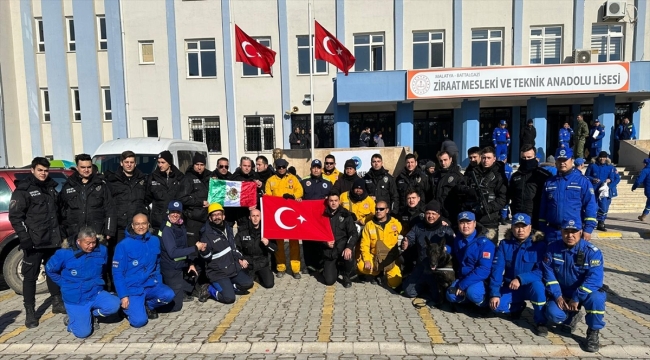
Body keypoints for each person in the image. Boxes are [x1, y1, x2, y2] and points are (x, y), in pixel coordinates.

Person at [9, 157, 65, 326]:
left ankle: (57, 302)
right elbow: (15, 217)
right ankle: (30, 311)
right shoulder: (23, 190)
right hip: (34, 241)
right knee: (30, 277)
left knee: (53, 271)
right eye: (40, 170)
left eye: (46, 170)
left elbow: (58, 213)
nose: (43, 173)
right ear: (32, 170)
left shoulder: (51, 187)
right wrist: (25, 238)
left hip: (52, 239)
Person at [542, 218, 605, 353]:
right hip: (563, 293)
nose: (570, 235)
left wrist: (577, 297)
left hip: (584, 292)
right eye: (566, 231)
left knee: (597, 299)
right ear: (561, 231)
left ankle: (593, 332)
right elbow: (549, 275)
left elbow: (595, 279)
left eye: (574, 232)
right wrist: (558, 296)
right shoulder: (553, 248)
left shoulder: (592, 252)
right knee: (553, 314)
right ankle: (572, 316)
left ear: (581, 232)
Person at [45, 227, 120, 338]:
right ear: (79, 241)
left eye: (93, 242)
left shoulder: (102, 250)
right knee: (83, 333)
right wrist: (64, 284)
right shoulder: (64, 253)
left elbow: (103, 269)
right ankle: (73, 320)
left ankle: (91, 315)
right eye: (88, 243)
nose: (91, 246)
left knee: (114, 305)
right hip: (76, 298)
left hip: (95, 293)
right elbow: (50, 270)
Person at [488, 214, 547, 336]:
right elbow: (497, 270)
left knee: (538, 288)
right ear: (512, 228)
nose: (520, 230)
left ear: (530, 227)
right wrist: (495, 293)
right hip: (511, 286)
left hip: (530, 286)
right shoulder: (505, 244)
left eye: (524, 226)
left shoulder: (539, 245)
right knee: (495, 306)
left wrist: (521, 279)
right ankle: (518, 306)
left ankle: (541, 322)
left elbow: (541, 271)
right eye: (517, 226)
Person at [112, 213, 175, 327]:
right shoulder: (123, 245)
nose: (140, 227)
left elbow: (157, 265)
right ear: (132, 225)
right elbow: (117, 273)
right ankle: (127, 309)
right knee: (139, 322)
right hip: (133, 287)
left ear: (148, 224)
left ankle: (148, 305)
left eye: (143, 223)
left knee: (168, 295)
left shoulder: (154, 240)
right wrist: (123, 296)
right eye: (137, 224)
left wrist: (158, 283)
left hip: (150, 284)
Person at [198, 203, 254, 303]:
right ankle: (209, 289)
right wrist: (204, 251)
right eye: (214, 215)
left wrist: (240, 258)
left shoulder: (228, 227)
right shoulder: (206, 234)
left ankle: (229, 286)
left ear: (223, 216)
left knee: (248, 283)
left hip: (232, 268)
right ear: (210, 218)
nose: (217, 217)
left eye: (219, 214)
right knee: (229, 299)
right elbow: (206, 258)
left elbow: (233, 247)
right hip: (218, 272)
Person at [539, 147, 597, 243]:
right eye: (559, 160)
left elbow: (590, 205)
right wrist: (542, 227)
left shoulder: (582, 181)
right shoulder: (549, 182)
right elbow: (543, 207)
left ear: (572, 161)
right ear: (556, 162)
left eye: (565, 160)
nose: (562, 163)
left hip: (573, 233)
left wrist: (588, 229)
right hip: (552, 232)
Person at [402, 200, 455, 303]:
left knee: (437, 297)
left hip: (438, 270)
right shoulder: (418, 227)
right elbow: (410, 237)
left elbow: (454, 246)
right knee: (409, 291)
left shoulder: (446, 230)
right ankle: (423, 287)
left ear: (439, 215)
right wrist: (406, 242)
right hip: (422, 266)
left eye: (433, 214)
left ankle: (429, 290)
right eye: (428, 213)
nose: (430, 216)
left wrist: (446, 248)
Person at [159, 201, 204, 312]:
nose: (175, 215)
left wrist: (190, 263)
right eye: (173, 212)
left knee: (199, 264)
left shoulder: (180, 225)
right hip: (171, 269)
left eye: (178, 212)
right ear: (168, 212)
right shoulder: (167, 229)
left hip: (180, 265)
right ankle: (151, 306)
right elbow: (173, 253)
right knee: (177, 306)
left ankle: (181, 291)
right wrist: (195, 248)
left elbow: (183, 246)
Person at [59, 153, 116, 240]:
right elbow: (62, 212)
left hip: (97, 233)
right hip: (75, 234)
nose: (86, 170)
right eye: (83, 167)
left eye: (89, 167)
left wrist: (109, 231)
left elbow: (110, 209)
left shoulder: (101, 185)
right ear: (77, 167)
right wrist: (63, 233)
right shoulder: (68, 186)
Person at [446, 211, 495, 308]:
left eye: (468, 223)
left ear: (475, 224)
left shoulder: (485, 243)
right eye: (462, 223)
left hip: (480, 279)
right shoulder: (459, 239)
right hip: (463, 276)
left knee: (473, 293)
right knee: (450, 295)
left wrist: (463, 285)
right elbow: (455, 249)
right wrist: (444, 249)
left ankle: (484, 304)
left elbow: (484, 270)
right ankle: (470, 301)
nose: (465, 226)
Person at [264, 158, 304, 278]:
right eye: (279, 167)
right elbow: (268, 196)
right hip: (277, 216)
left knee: (294, 243)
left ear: (286, 167)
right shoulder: (270, 181)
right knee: (279, 243)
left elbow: (300, 191)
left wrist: (293, 196)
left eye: (283, 167)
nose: (281, 169)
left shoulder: (293, 178)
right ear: (275, 168)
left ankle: (295, 269)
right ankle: (281, 267)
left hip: (291, 215)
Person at [459, 147, 507, 244]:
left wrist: (487, 208)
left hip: (489, 219)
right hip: (473, 217)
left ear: (494, 158)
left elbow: (502, 198)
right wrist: (469, 191)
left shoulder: (499, 175)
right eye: (484, 158)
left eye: (489, 158)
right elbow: (460, 186)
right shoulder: (472, 172)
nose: (486, 160)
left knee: (488, 250)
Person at [105, 151, 148, 243]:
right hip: (119, 227)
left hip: (137, 226)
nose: (129, 165)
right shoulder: (113, 181)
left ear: (135, 164)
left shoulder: (143, 180)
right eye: (126, 162)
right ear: (121, 163)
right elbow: (108, 205)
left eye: (131, 162)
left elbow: (147, 200)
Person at [357, 200, 402, 288]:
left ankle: (387, 273)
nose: (378, 211)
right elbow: (364, 244)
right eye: (376, 209)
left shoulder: (395, 224)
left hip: (390, 258)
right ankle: (377, 273)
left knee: (395, 283)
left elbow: (404, 234)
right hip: (375, 257)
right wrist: (366, 260)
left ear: (387, 210)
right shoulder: (369, 225)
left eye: (381, 209)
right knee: (361, 266)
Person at [507, 144, 552, 226]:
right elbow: (511, 196)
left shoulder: (544, 175)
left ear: (535, 157)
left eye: (529, 157)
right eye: (524, 158)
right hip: (519, 218)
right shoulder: (515, 176)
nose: (526, 160)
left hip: (537, 218)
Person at [146, 151, 190, 233]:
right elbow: (146, 199)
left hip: (175, 221)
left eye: (163, 162)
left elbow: (184, 198)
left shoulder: (180, 178)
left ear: (169, 163)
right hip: (158, 222)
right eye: (158, 162)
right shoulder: (152, 178)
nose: (160, 165)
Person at [301, 159, 332, 273]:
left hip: (322, 218)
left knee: (321, 242)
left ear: (321, 169)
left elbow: (332, 198)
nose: (316, 169)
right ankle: (309, 265)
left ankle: (321, 265)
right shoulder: (303, 181)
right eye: (314, 167)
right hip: (307, 218)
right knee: (308, 242)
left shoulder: (328, 182)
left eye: (318, 167)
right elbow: (299, 196)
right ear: (311, 169)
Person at [321, 192, 358, 288]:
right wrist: (325, 243)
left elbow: (353, 233)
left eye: (336, 201)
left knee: (349, 256)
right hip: (330, 252)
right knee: (329, 281)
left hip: (342, 248)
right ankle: (335, 268)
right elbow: (317, 234)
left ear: (339, 201)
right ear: (328, 202)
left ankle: (346, 275)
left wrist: (349, 247)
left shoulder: (346, 214)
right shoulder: (322, 215)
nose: (333, 203)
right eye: (331, 201)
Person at [235, 209, 277, 289]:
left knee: (269, 284)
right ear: (249, 217)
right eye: (253, 216)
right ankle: (252, 274)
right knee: (246, 284)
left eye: (257, 216)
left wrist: (268, 244)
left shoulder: (266, 231)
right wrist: (241, 259)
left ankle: (260, 274)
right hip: (247, 263)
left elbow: (274, 250)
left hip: (261, 262)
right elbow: (235, 248)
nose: (255, 218)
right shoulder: (243, 231)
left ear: (261, 217)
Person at [183, 153, 212, 251]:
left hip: (207, 217)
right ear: (193, 165)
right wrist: (200, 202)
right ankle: (192, 265)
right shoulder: (188, 178)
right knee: (193, 246)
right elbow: (183, 197)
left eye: (202, 165)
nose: (199, 167)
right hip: (193, 219)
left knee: (206, 246)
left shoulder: (210, 176)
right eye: (197, 165)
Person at [585, 151, 620, 231]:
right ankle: (590, 223)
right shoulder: (592, 165)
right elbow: (586, 176)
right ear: (598, 157)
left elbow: (614, 178)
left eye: (604, 157)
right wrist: (593, 179)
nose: (602, 159)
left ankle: (601, 223)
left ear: (606, 158)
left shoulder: (610, 167)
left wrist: (609, 182)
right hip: (594, 189)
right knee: (592, 206)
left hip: (605, 190)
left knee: (604, 207)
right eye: (601, 157)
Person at [431, 151, 463, 223]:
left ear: (450, 159)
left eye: (445, 160)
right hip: (437, 212)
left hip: (451, 214)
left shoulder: (457, 176)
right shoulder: (435, 176)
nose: (443, 163)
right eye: (441, 161)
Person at [230, 156, 261, 228]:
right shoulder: (234, 178)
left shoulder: (255, 176)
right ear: (240, 166)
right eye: (244, 166)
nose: (247, 168)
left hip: (254, 213)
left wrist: (260, 185)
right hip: (241, 214)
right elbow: (232, 197)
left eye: (249, 166)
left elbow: (260, 193)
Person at [498, 154, 513, 225]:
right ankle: (503, 217)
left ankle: (504, 217)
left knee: (505, 203)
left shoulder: (507, 168)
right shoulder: (508, 168)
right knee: (504, 203)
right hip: (504, 187)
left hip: (505, 187)